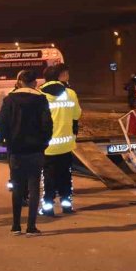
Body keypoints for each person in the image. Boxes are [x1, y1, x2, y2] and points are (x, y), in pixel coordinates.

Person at [0, 70, 53, 236]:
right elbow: (47, 124)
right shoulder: (41, 99)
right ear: (35, 83)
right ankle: (31, 226)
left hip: (15, 149)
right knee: (34, 186)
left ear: (20, 82)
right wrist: (44, 141)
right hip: (35, 149)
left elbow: (2, 123)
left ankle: (15, 226)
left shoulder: (9, 99)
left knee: (17, 186)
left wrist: (4, 139)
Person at [39, 64, 82, 215]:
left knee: (48, 177)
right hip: (66, 144)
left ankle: (48, 207)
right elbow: (76, 115)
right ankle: (66, 205)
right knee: (65, 175)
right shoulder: (70, 93)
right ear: (61, 75)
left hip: (47, 145)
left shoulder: (39, 94)